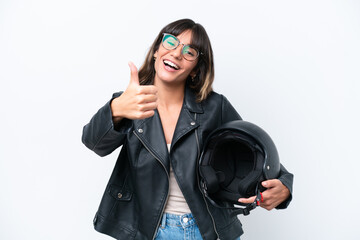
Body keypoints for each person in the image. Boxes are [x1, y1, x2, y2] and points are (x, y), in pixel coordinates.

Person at [82, 18, 293, 240]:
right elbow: (93, 143)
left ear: (195, 70)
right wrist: (116, 109)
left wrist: (285, 187)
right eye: (171, 42)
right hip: (151, 232)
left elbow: (256, 152)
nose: (176, 53)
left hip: (207, 229)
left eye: (189, 52)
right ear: (156, 50)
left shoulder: (215, 107)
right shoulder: (131, 102)